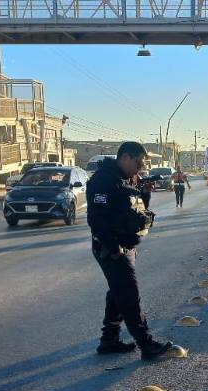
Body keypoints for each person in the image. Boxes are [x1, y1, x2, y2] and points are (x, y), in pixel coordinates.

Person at [87, 141, 174, 360]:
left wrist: (145, 193)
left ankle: (109, 340)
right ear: (125, 157)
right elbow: (95, 219)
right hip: (111, 247)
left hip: (126, 245)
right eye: (138, 163)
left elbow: (136, 210)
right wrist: (113, 248)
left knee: (117, 292)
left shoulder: (128, 179)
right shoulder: (103, 181)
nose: (140, 168)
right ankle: (147, 345)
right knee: (128, 295)